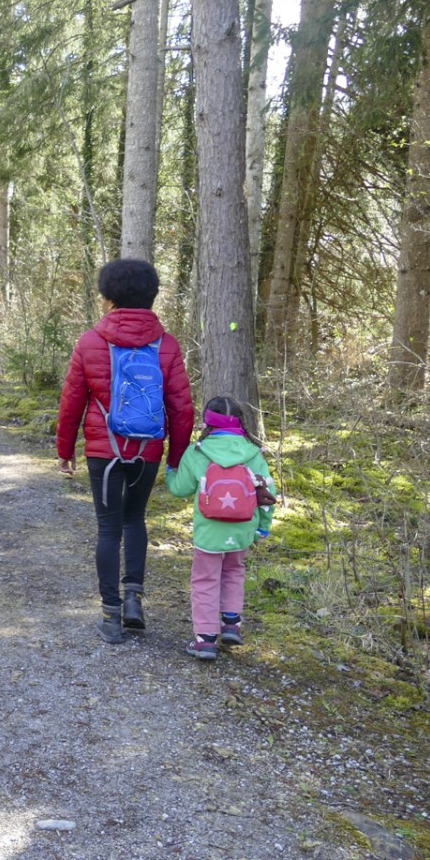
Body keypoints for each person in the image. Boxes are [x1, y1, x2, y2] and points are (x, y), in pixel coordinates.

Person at [56, 258, 194, 643]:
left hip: (104, 450)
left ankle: (111, 615)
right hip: (147, 450)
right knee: (135, 522)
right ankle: (134, 600)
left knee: (107, 527)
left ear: (109, 297)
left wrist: (65, 451)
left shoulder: (90, 341)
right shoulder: (166, 345)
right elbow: (182, 407)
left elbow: (71, 404)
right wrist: (177, 458)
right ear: (151, 295)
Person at [165, 396, 276, 660]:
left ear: (208, 422)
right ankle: (231, 624)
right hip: (242, 528)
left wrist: (171, 470)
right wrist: (263, 528)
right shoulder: (253, 452)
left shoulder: (198, 451)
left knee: (205, 580)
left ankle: (205, 640)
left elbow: (180, 489)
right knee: (235, 572)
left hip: (208, 531)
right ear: (240, 421)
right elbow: (268, 493)